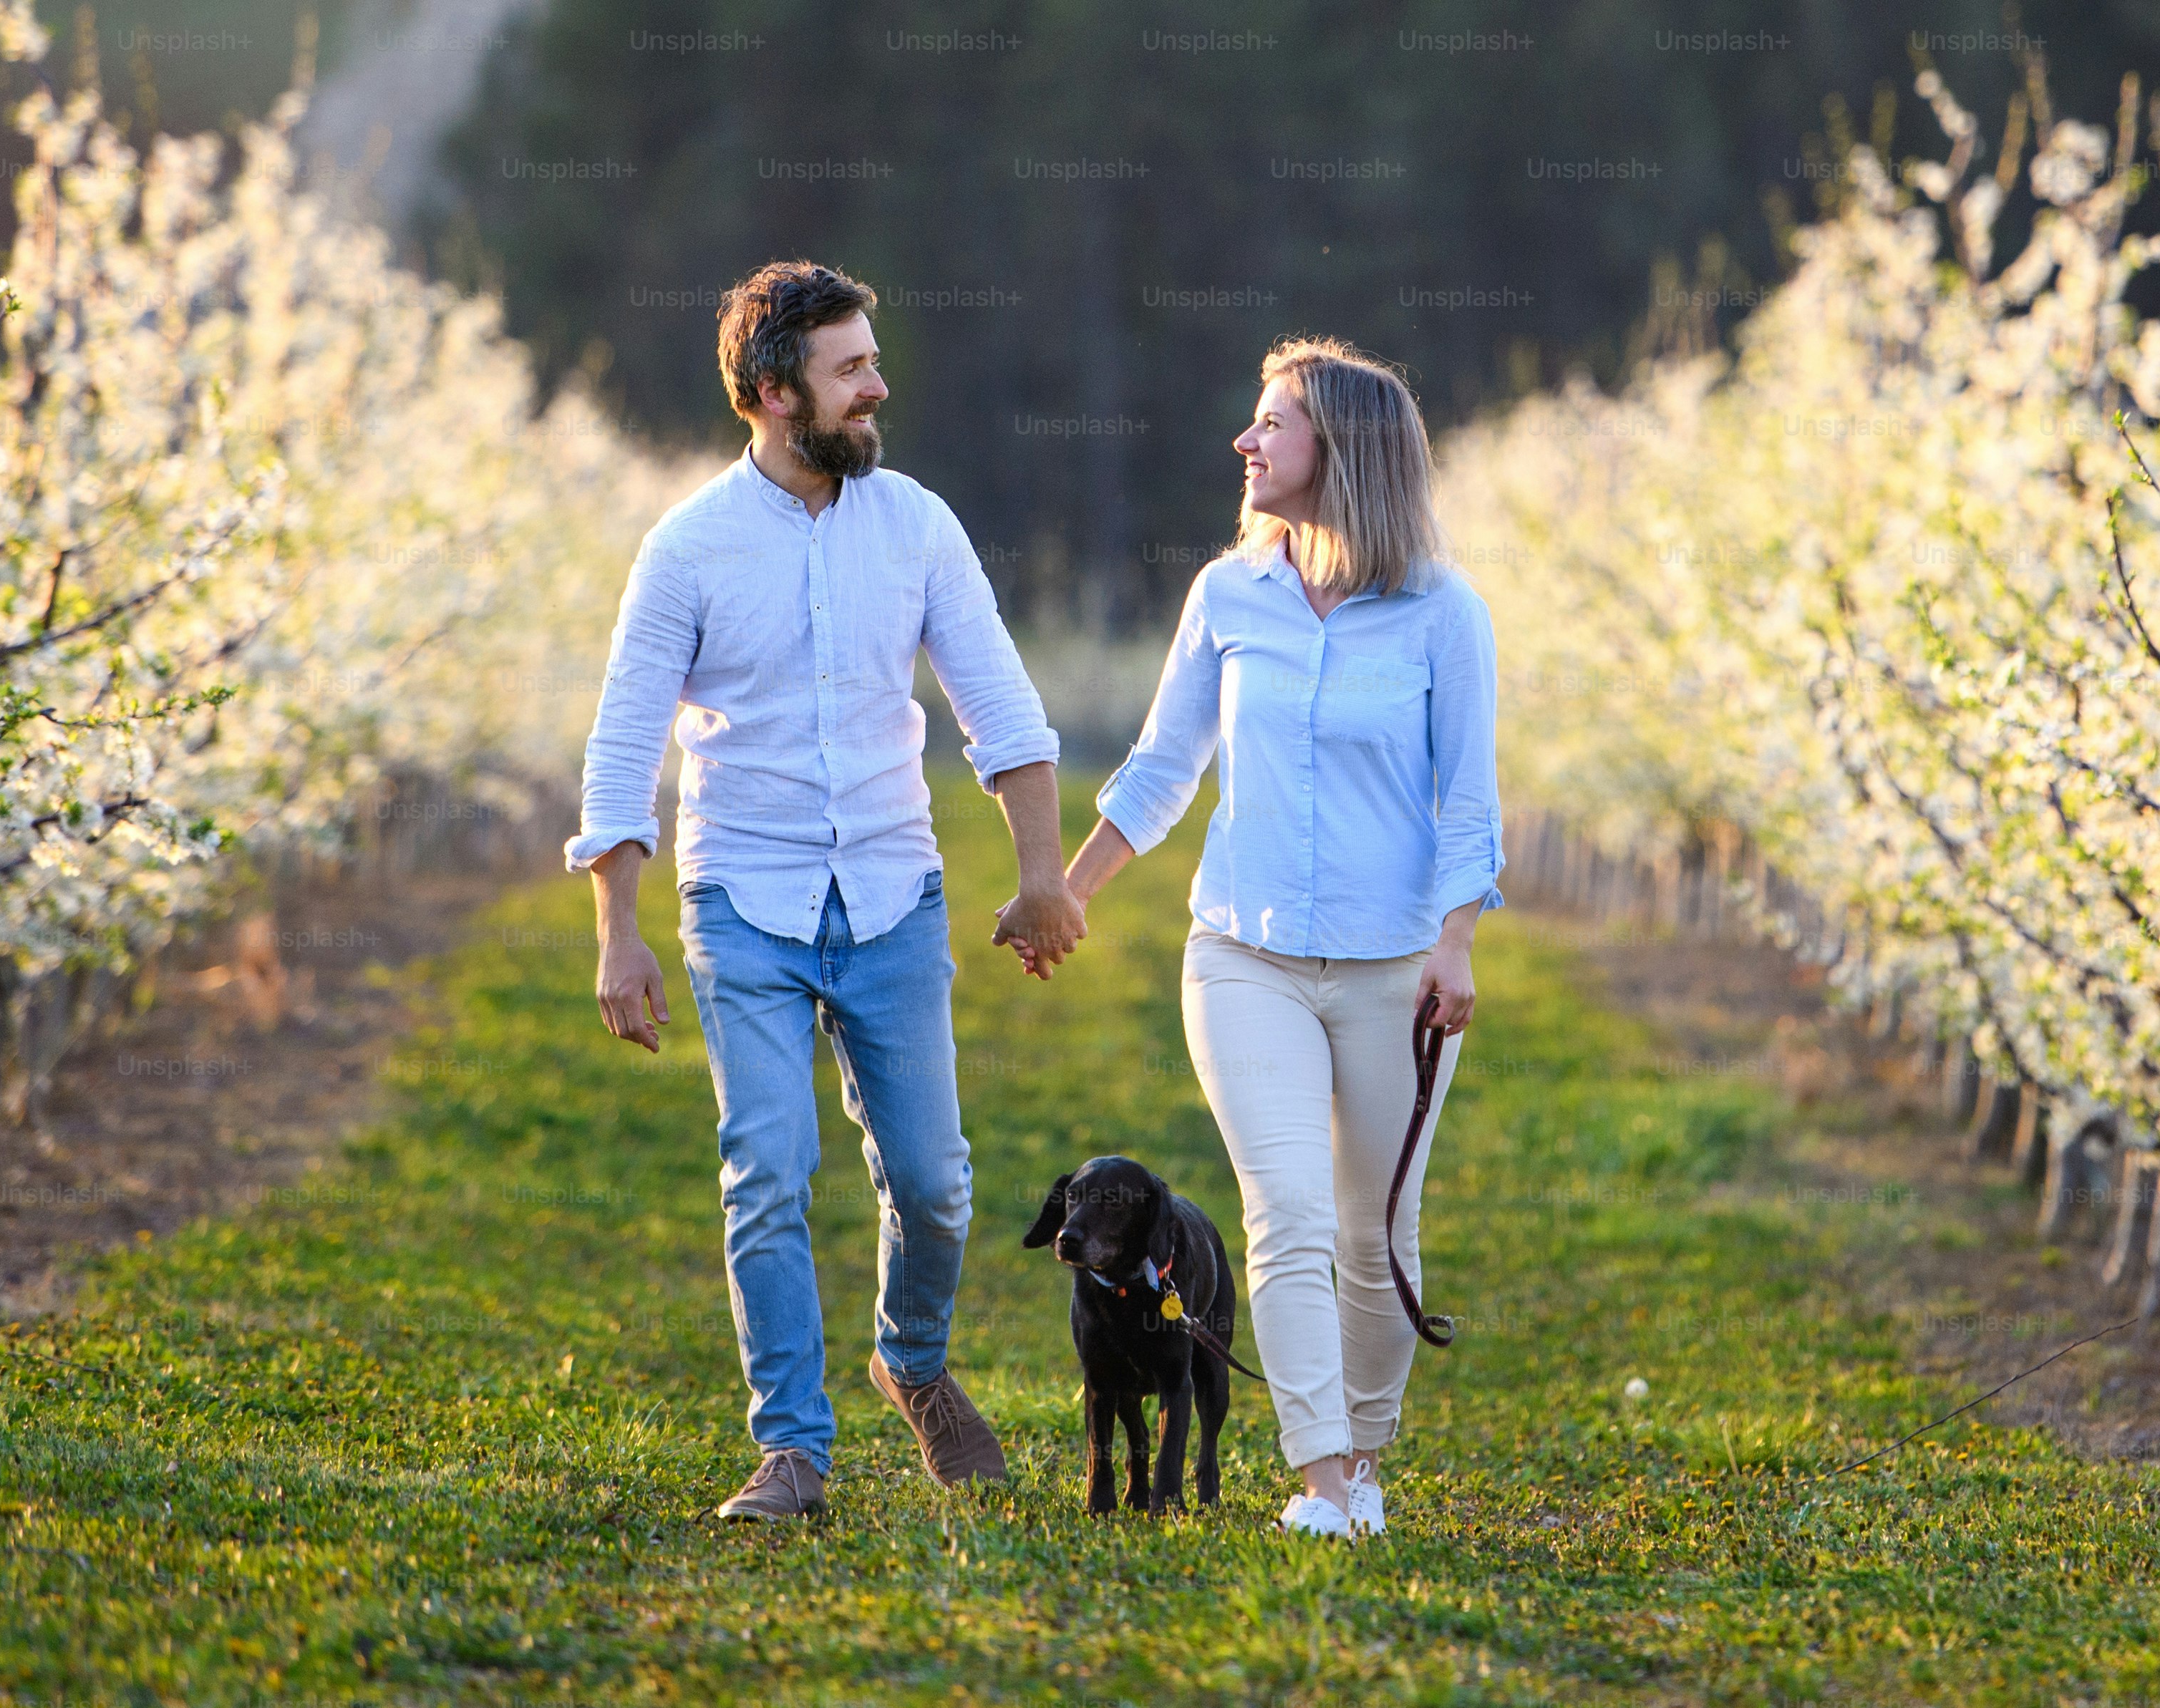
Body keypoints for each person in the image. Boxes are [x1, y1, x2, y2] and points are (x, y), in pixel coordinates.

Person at [571, 261, 1088, 1522]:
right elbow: (625, 744)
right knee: (768, 1166)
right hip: (740, 895)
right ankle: (792, 1451)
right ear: (771, 393)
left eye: (872, 362)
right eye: (852, 370)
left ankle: (910, 1360)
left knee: (936, 1181)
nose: (879, 386)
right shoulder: (689, 548)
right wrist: (618, 937)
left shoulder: (917, 524)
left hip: (892, 895)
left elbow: (1001, 706)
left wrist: (1038, 874)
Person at [1060, 336, 1503, 1539]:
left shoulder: (1442, 615)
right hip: (1242, 957)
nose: (1245, 443)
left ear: (1342, 451)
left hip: (1394, 972)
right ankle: (1317, 1480)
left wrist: (1456, 944)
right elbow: (1162, 768)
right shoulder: (1228, 594)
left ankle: (1361, 1466)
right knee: (1289, 1215)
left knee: (1376, 1229)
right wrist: (1072, 887)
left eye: (1272, 424)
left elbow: (1469, 805)